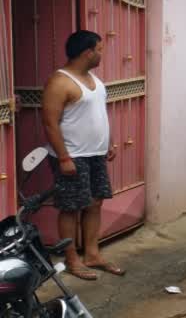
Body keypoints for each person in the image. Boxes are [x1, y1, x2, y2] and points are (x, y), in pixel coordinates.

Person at [41, 30, 124, 280]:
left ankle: (92, 254)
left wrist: (108, 142)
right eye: (99, 49)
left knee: (95, 203)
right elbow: (50, 124)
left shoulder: (94, 80)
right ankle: (72, 259)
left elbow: (98, 113)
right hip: (72, 156)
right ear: (87, 52)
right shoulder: (60, 81)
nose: (101, 53)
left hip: (95, 154)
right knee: (71, 207)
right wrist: (64, 158)